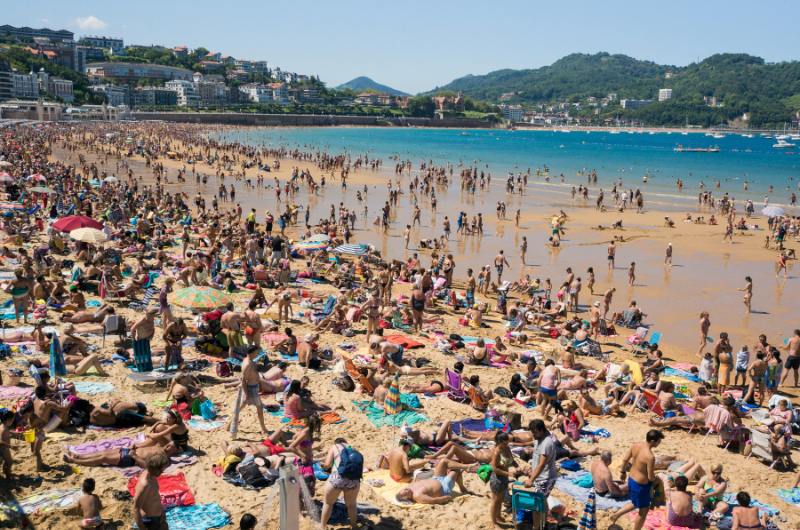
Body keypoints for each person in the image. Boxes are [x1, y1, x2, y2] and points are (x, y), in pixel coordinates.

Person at [609, 430, 665, 530]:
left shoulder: (636, 445)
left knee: (636, 503)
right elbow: (651, 477)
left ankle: (615, 515)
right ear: (652, 441)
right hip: (640, 486)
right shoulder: (650, 456)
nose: (659, 443)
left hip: (631, 479)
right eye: (658, 441)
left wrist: (623, 472)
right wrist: (658, 481)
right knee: (643, 510)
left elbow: (625, 459)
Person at [319, 438, 361, 530]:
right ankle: (354, 526)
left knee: (328, 503)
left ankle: (322, 526)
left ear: (336, 442)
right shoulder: (352, 448)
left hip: (337, 478)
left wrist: (324, 466)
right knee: (351, 505)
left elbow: (327, 464)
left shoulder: (334, 447)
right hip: (353, 479)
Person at [394, 458, 473, 505]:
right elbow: (434, 500)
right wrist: (446, 497)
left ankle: (467, 466)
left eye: (405, 489)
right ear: (408, 497)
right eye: (407, 491)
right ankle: (462, 488)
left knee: (443, 461)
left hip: (436, 478)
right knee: (456, 469)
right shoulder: (418, 497)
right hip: (444, 487)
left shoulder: (407, 488)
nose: (407, 489)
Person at [133, 453, 170, 530]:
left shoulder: (153, 476)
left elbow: (156, 495)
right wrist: (142, 528)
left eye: (162, 469)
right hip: (150, 523)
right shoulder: (145, 485)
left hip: (160, 519)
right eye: (159, 470)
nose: (162, 472)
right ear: (151, 468)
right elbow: (136, 509)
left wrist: (162, 510)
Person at [489, 431, 514, 530]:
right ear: (499, 442)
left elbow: (512, 460)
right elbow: (494, 468)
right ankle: (494, 523)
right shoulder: (496, 452)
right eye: (504, 444)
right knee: (495, 501)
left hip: (504, 478)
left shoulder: (507, 449)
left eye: (507, 443)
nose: (506, 445)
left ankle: (498, 516)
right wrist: (509, 473)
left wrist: (517, 467)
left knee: (501, 500)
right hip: (497, 479)